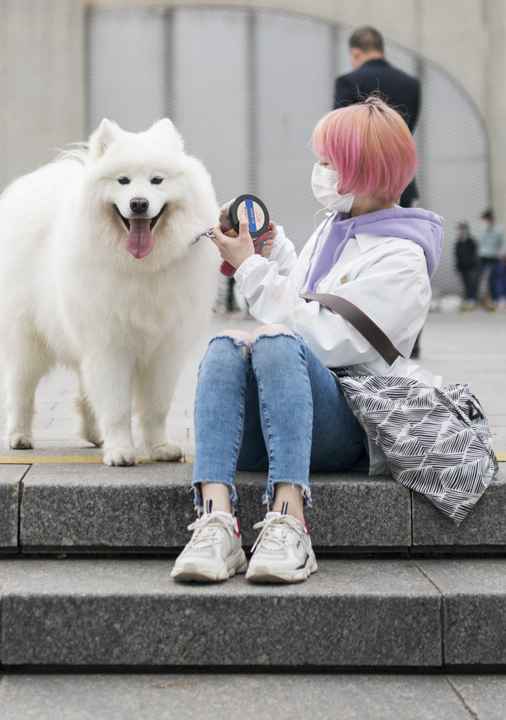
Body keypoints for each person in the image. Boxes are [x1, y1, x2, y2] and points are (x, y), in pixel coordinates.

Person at [171, 97, 442, 584]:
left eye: (326, 162)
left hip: (346, 425)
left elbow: (327, 338)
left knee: (273, 339)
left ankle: (291, 522)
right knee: (227, 343)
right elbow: (306, 290)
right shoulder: (336, 228)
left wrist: (251, 268)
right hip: (289, 414)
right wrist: (274, 252)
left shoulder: (403, 258)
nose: (317, 170)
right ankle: (215, 521)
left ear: (362, 169)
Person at [334, 26, 421, 208]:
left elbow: (339, 135)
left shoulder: (349, 82)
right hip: (401, 180)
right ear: (383, 52)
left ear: (354, 52)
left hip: (362, 183)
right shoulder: (411, 83)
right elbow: (409, 127)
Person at [476, 209, 506, 310]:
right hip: (484, 255)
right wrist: (478, 253)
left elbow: (502, 243)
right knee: (477, 276)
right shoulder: (483, 228)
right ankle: (474, 298)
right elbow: (480, 242)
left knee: (494, 277)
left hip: (495, 256)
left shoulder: (499, 229)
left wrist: (502, 254)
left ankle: (497, 299)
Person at [454, 221, 478, 309]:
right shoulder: (458, 242)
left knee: (471, 283)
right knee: (465, 283)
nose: (461, 231)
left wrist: (472, 263)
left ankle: (472, 299)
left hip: (470, 266)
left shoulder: (471, 241)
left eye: (462, 229)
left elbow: (474, 254)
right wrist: (457, 267)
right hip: (462, 266)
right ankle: (467, 298)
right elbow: (456, 255)